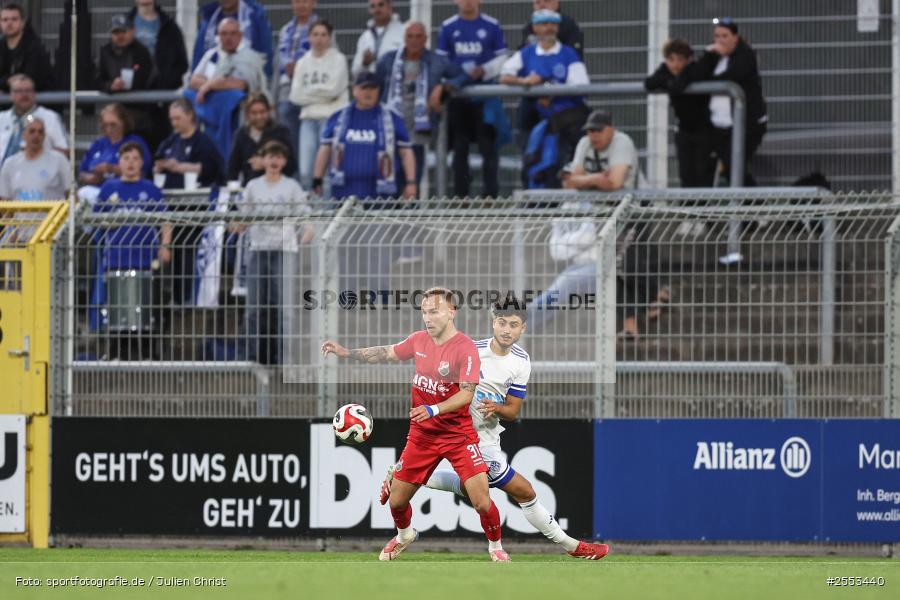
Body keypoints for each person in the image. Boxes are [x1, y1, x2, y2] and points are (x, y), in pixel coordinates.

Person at [381, 298, 609, 560]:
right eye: (502, 323)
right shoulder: (470, 350)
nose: (506, 330)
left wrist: (496, 408)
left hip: (487, 440)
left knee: (475, 492)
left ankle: (397, 474)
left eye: (513, 325)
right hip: (461, 436)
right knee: (524, 492)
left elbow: (513, 411)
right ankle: (572, 547)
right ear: (493, 323)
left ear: (523, 328)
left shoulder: (522, 361)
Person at [321, 287, 506, 562]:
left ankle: (496, 548)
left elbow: (466, 394)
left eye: (434, 311)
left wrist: (432, 409)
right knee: (396, 501)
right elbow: (386, 352)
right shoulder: (419, 340)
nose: (427, 318)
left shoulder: (464, 348)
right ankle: (405, 534)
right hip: (422, 436)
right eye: (424, 312)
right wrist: (347, 353)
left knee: (481, 501)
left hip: (458, 435)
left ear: (452, 312)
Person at [235, 140, 313, 364]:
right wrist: (236, 224)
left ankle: (284, 360)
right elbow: (243, 217)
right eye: (270, 156)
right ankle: (250, 358)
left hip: (284, 251)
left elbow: (307, 219)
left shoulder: (292, 186)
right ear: (263, 159)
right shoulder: (253, 186)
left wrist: (302, 238)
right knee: (253, 307)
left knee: (285, 309)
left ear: (284, 162)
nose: (274, 161)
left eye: (279, 157)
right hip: (258, 249)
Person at [91, 142, 172, 357]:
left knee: (146, 305)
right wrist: (110, 223)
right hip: (117, 257)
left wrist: (165, 246)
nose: (130, 163)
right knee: (117, 305)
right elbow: (95, 219)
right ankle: (117, 351)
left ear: (142, 162)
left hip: (145, 258)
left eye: (135, 159)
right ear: (119, 162)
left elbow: (165, 221)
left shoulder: (151, 190)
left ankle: (147, 351)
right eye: (126, 158)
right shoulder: (109, 189)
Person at [501, 9, 589, 189]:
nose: (548, 28)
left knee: (564, 160)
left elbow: (581, 85)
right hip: (536, 120)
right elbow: (504, 76)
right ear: (534, 28)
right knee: (533, 158)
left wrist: (548, 90)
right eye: (544, 24)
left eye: (552, 24)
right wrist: (525, 81)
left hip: (566, 120)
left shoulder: (568, 53)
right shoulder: (527, 53)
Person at [377, 21, 466, 190]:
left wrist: (443, 87)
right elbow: (376, 88)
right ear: (404, 38)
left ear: (425, 39)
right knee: (388, 183)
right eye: (410, 36)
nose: (414, 41)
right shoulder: (388, 60)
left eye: (418, 36)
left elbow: (462, 76)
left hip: (417, 132)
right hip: (390, 132)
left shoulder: (437, 61)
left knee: (412, 183)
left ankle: (410, 216)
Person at [155, 98, 225, 304]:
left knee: (188, 251)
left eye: (178, 118)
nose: (174, 123)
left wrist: (184, 167)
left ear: (190, 116)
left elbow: (214, 168)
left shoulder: (203, 141)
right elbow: (158, 158)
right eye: (171, 119)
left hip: (196, 205)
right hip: (173, 204)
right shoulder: (170, 141)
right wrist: (162, 166)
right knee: (175, 251)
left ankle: (189, 298)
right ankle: (177, 297)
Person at [437, 0, 508, 199]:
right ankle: (461, 197)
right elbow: (441, 60)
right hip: (459, 98)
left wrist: (485, 70)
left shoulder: (492, 25)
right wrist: (459, 76)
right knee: (460, 148)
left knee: (488, 147)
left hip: (485, 97)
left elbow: (502, 58)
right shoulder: (448, 27)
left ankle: (490, 197)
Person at [312, 71, 416, 203]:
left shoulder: (392, 118)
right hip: (342, 194)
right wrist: (317, 178)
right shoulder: (338, 117)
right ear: (354, 90)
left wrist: (411, 182)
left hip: (382, 197)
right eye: (364, 88)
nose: (368, 92)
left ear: (379, 90)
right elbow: (325, 148)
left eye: (372, 88)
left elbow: (406, 152)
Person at [694, 17, 767, 185]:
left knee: (734, 164)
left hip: (746, 123)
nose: (720, 40)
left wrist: (710, 79)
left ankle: (753, 201)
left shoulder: (745, 55)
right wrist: (707, 56)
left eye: (724, 36)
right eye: (717, 36)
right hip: (719, 124)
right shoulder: (714, 56)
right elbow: (697, 75)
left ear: (735, 37)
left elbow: (732, 77)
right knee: (718, 165)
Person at [644, 38, 716, 188]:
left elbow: (679, 85)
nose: (675, 64)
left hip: (705, 130)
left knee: (703, 174)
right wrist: (669, 81)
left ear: (688, 60)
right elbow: (650, 83)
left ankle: (704, 209)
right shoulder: (665, 70)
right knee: (686, 173)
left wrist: (672, 82)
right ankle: (687, 208)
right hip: (684, 130)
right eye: (671, 59)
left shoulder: (694, 69)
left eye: (680, 60)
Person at [290, 19, 348, 190]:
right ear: (309, 37)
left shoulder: (339, 59)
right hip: (308, 120)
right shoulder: (302, 63)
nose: (319, 38)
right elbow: (295, 96)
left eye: (324, 35)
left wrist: (310, 93)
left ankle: (328, 214)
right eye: (315, 34)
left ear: (330, 38)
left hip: (331, 120)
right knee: (306, 171)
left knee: (328, 171)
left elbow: (335, 90)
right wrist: (323, 95)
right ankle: (310, 213)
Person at [273, 0, 319, 158]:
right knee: (288, 141)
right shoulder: (285, 30)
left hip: (311, 94)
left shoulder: (321, 30)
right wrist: (273, 99)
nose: (302, 5)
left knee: (310, 144)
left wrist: (300, 69)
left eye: (306, 1)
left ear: (314, 3)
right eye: (298, 1)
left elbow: (329, 60)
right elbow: (277, 66)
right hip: (286, 92)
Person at [190, 18, 266, 102]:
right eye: (224, 33)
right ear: (218, 35)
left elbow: (240, 85)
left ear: (240, 35)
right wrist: (217, 84)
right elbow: (193, 81)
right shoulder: (212, 54)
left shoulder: (251, 58)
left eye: (233, 33)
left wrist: (209, 86)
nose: (228, 38)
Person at [564, 109, 640, 191]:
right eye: (591, 130)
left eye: (599, 130)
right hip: (593, 201)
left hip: (630, 201)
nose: (595, 135)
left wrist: (583, 180)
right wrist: (595, 178)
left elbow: (614, 184)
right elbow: (570, 182)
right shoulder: (584, 142)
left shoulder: (622, 141)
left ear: (611, 130)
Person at [192, 0, 273, 78]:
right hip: (212, 78)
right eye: (224, 33)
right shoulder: (209, 18)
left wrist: (261, 80)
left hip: (247, 78)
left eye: (233, 33)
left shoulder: (255, 17)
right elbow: (199, 53)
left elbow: (265, 50)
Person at [228, 93, 296, 184]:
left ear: (268, 111)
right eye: (254, 113)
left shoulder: (281, 132)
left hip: (278, 188)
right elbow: (233, 168)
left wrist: (266, 164)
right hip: (250, 189)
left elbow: (292, 165)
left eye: (262, 112)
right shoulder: (241, 135)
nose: (259, 117)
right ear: (247, 114)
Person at [0, 74, 67, 166]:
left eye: (28, 91)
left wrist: (39, 152)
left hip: (36, 174)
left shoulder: (50, 117)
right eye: (19, 91)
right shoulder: (2, 118)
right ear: (11, 95)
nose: (24, 95)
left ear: (34, 94)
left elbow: (64, 151)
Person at [79, 104, 153, 187]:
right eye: (105, 125)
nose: (109, 129)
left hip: (125, 190)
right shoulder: (98, 143)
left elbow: (142, 170)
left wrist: (111, 169)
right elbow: (82, 171)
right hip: (95, 189)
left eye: (113, 125)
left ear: (124, 123)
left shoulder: (135, 141)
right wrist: (91, 178)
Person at [0, 116, 71, 200]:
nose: (36, 135)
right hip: (19, 213)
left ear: (44, 136)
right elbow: (5, 201)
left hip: (52, 213)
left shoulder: (59, 160)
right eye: (32, 131)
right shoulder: (10, 164)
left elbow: (71, 194)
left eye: (40, 132)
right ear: (24, 135)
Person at [128, 0, 189, 90]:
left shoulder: (169, 26)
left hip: (161, 93)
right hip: (129, 93)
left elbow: (181, 62)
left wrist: (168, 82)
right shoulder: (123, 24)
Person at [0, 3, 53, 92]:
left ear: (23, 22)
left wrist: (4, 83)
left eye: (14, 19)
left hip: (38, 101)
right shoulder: (1, 46)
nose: (9, 23)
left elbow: (28, 81)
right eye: (5, 20)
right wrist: (8, 81)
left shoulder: (35, 48)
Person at [96, 15, 155, 94]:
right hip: (109, 100)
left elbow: (149, 81)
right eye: (116, 32)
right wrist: (110, 85)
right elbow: (97, 80)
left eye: (123, 31)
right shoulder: (104, 52)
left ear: (133, 31)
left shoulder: (142, 52)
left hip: (138, 102)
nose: (120, 36)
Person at [351, 0, 404, 77]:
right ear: (369, 10)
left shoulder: (403, 32)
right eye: (373, 6)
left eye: (381, 5)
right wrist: (365, 63)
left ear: (390, 6)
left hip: (394, 84)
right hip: (371, 86)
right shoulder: (365, 37)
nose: (377, 9)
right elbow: (355, 72)